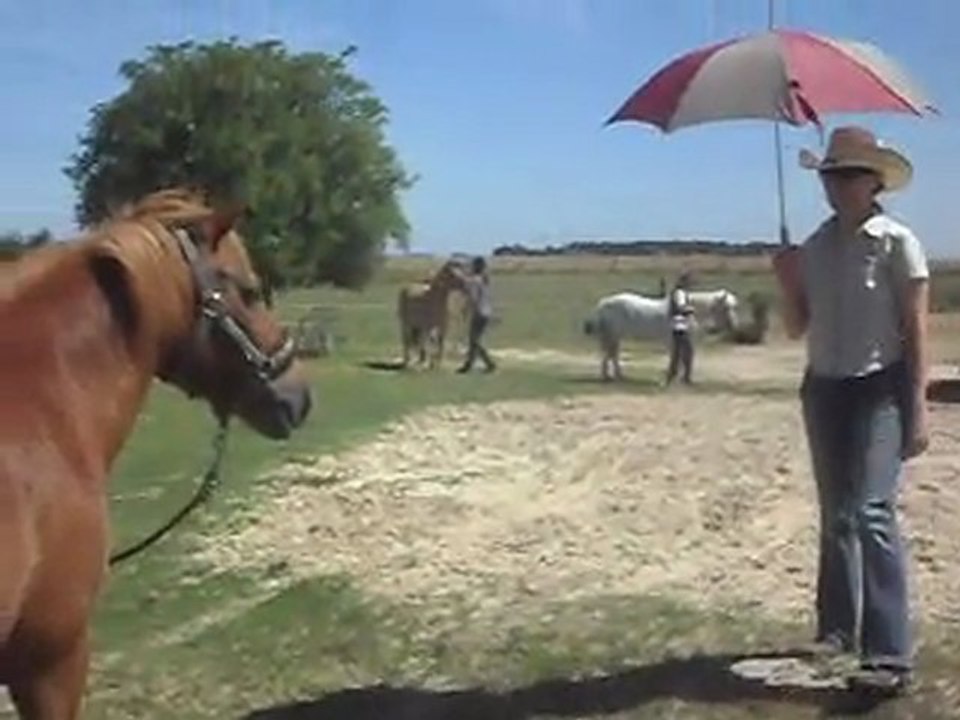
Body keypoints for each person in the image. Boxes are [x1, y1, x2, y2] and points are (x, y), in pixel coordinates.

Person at [772, 125, 930, 695]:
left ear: (874, 181)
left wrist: (918, 408)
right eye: (829, 175)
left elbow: (915, 331)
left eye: (848, 175)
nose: (836, 185)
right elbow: (797, 327)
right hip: (824, 389)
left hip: (879, 388)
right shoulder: (813, 247)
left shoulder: (896, 243)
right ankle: (837, 630)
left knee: (870, 510)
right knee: (836, 514)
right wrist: (789, 285)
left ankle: (889, 654)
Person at [457, 256, 497, 373]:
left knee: (475, 340)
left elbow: (472, 298)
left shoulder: (474, 280)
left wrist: (466, 310)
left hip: (478, 312)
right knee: (473, 340)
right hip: (485, 312)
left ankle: (489, 363)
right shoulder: (482, 279)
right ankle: (468, 364)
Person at [665, 271, 695, 385]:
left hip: (679, 325)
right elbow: (681, 307)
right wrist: (691, 310)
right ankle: (684, 377)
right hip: (679, 325)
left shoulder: (680, 292)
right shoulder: (680, 293)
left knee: (678, 353)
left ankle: (673, 376)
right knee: (686, 351)